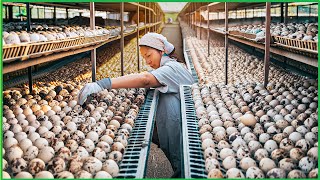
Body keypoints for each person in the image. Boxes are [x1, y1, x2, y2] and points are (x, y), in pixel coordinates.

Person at [78, 33, 194, 178]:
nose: (147, 61)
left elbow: (145, 79)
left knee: (185, 169)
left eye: (149, 55)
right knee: (180, 166)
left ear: (161, 51)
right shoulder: (167, 66)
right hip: (174, 129)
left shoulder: (172, 68)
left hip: (181, 132)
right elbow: (145, 76)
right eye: (144, 57)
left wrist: (103, 84)